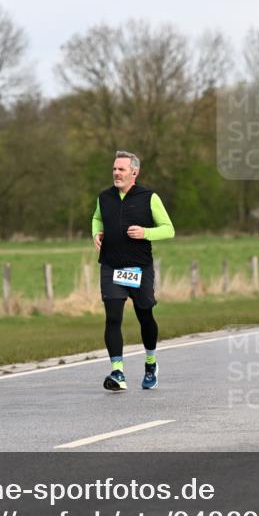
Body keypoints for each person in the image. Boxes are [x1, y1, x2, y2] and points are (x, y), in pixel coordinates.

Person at [92, 150, 175, 391]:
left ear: (134, 173)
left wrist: (146, 233)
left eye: (121, 169)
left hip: (139, 267)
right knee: (113, 317)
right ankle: (117, 371)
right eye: (114, 169)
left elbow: (168, 229)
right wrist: (95, 233)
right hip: (111, 265)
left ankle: (150, 363)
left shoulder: (149, 197)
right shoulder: (104, 197)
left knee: (144, 314)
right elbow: (97, 219)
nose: (116, 173)